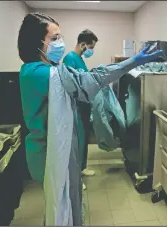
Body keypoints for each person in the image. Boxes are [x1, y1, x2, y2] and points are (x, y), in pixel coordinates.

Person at [17, 12, 162, 225]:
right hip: (50, 152)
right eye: (54, 38)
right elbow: (89, 80)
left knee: (67, 199)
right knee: (59, 205)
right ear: (36, 42)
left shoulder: (50, 68)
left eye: (60, 36)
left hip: (63, 146)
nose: (61, 43)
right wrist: (131, 62)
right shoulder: (38, 73)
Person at [63, 30, 98, 190]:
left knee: (83, 141)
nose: (91, 50)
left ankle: (82, 168)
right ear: (83, 44)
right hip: (76, 108)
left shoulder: (80, 59)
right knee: (76, 143)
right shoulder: (70, 58)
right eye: (91, 47)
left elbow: (83, 78)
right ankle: (75, 177)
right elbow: (71, 84)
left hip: (84, 108)